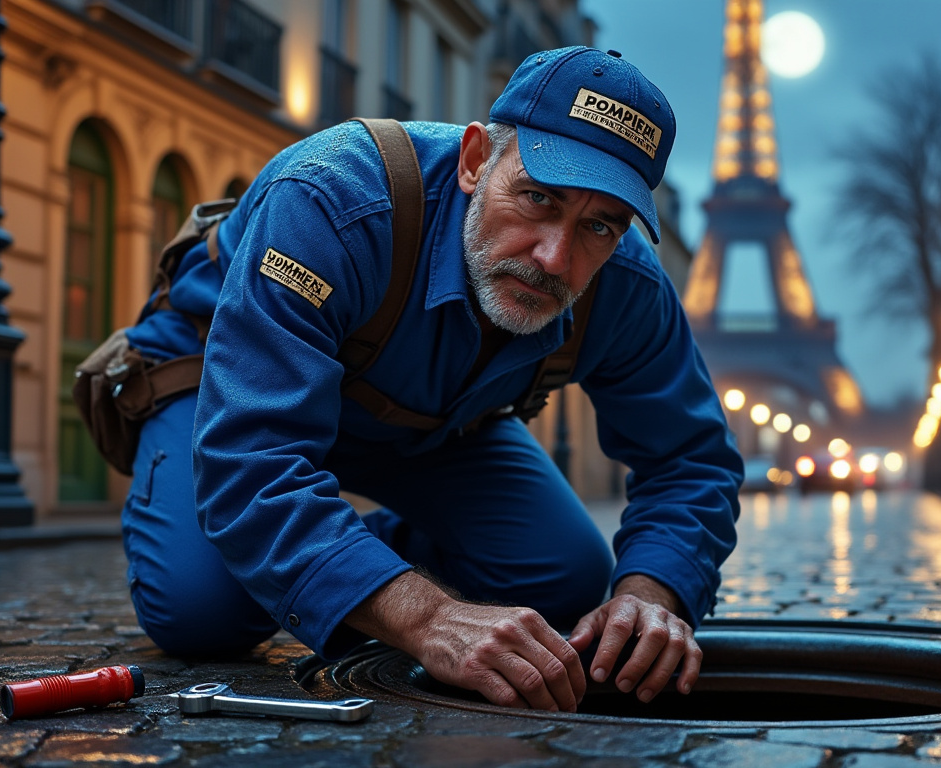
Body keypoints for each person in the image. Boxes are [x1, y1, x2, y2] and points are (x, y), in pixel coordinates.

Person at [121, 46, 742, 713]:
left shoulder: (627, 285)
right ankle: (345, 567)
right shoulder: (330, 199)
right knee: (201, 612)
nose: (555, 257)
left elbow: (689, 458)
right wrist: (425, 617)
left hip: (435, 424)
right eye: (537, 197)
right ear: (476, 159)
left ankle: (349, 561)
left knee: (563, 578)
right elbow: (253, 455)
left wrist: (653, 594)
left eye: (598, 225)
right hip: (227, 386)